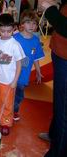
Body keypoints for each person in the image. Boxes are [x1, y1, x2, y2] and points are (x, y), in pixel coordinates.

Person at [0, 13, 25, 136]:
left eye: (9, 31)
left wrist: (15, 80)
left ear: (13, 29)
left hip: (8, 81)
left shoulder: (15, 45)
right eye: (3, 31)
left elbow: (19, 63)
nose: (6, 34)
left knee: (7, 103)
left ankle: (6, 122)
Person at [39, 0, 67, 157]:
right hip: (60, 53)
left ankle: (57, 152)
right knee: (59, 100)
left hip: (65, 58)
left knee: (63, 108)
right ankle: (54, 134)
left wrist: (50, 10)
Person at [13, 10, 45, 121]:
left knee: (18, 96)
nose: (32, 25)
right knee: (9, 93)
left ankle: (14, 111)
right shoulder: (15, 38)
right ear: (22, 24)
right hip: (11, 74)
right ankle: (8, 111)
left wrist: (38, 71)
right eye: (28, 22)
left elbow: (36, 58)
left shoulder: (36, 41)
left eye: (34, 23)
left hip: (24, 76)